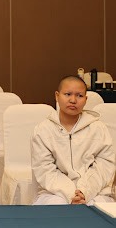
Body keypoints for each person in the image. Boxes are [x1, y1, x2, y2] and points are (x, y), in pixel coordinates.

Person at [32, 75, 115, 205]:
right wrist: (71, 194)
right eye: (68, 94)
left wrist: (84, 192)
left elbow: (105, 165)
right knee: (55, 207)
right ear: (57, 96)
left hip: (94, 192)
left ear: (86, 99)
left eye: (79, 96)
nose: (73, 100)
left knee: (102, 208)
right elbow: (44, 169)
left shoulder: (98, 128)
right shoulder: (43, 130)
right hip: (54, 193)